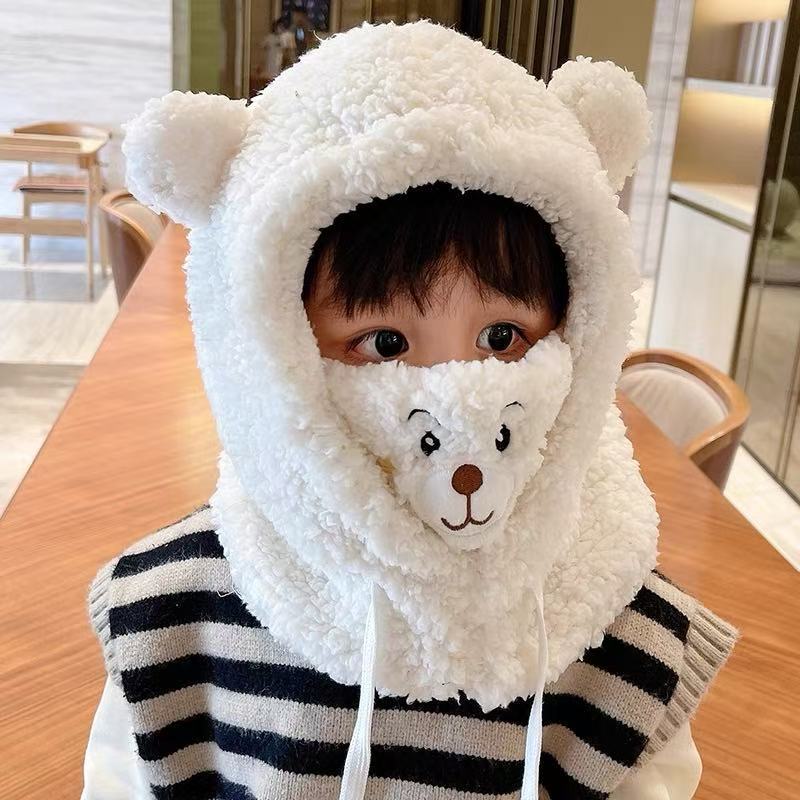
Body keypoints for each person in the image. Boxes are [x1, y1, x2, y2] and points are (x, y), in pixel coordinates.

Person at [81, 19, 738, 800]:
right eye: (385, 343)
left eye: (502, 337)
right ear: (270, 353)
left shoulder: (623, 630)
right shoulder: (175, 616)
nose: (457, 396)